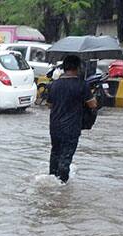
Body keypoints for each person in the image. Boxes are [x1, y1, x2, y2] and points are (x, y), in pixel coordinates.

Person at [47, 54, 97, 183]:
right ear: (78, 67)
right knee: (66, 157)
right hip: (71, 127)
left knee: (55, 153)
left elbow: (49, 104)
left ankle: (51, 179)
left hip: (55, 126)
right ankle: (62, 186)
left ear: (64, 67)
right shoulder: (82, 85)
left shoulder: (54, 85)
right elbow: (93, 104)